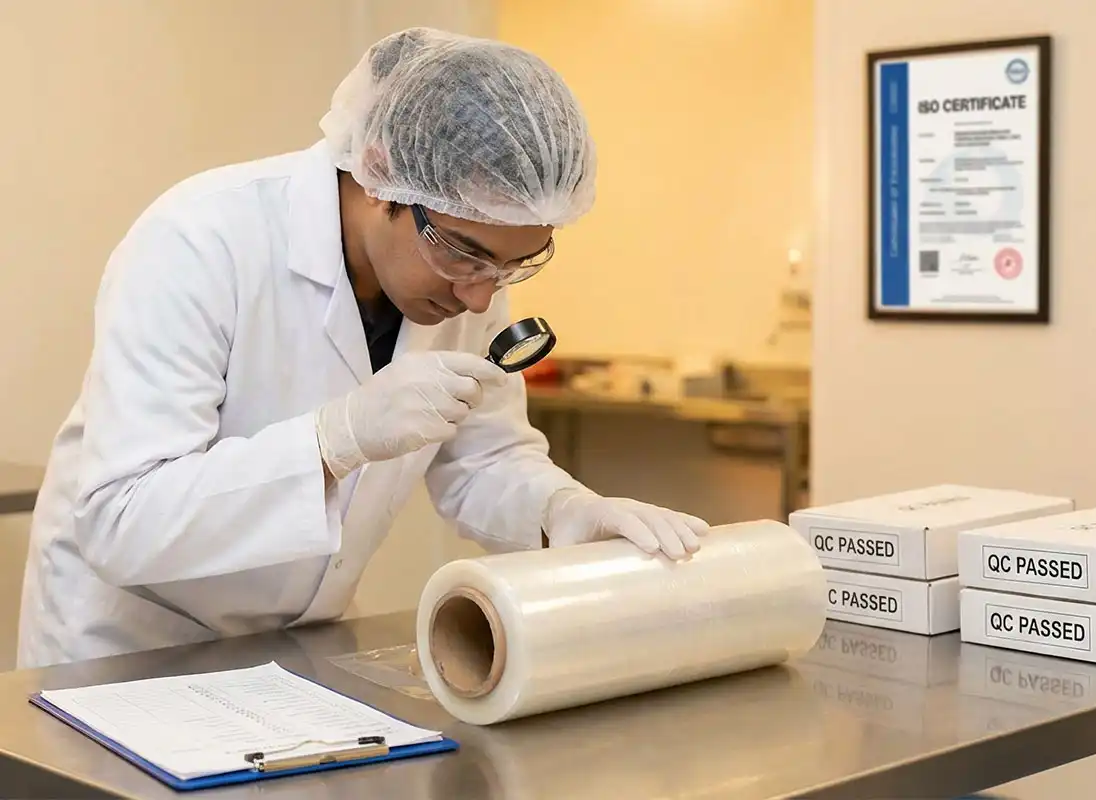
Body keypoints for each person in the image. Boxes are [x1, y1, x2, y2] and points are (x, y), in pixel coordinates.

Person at [17, 27, 709, 669]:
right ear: (379, 174)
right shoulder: (200, 242)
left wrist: (560, 511)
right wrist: (333, 440)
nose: (480, 298)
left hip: (296, 642)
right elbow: (122, 518)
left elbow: (484, 458)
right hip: (133, 645)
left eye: (514, 265)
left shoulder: (468, 271)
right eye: (465, 254)